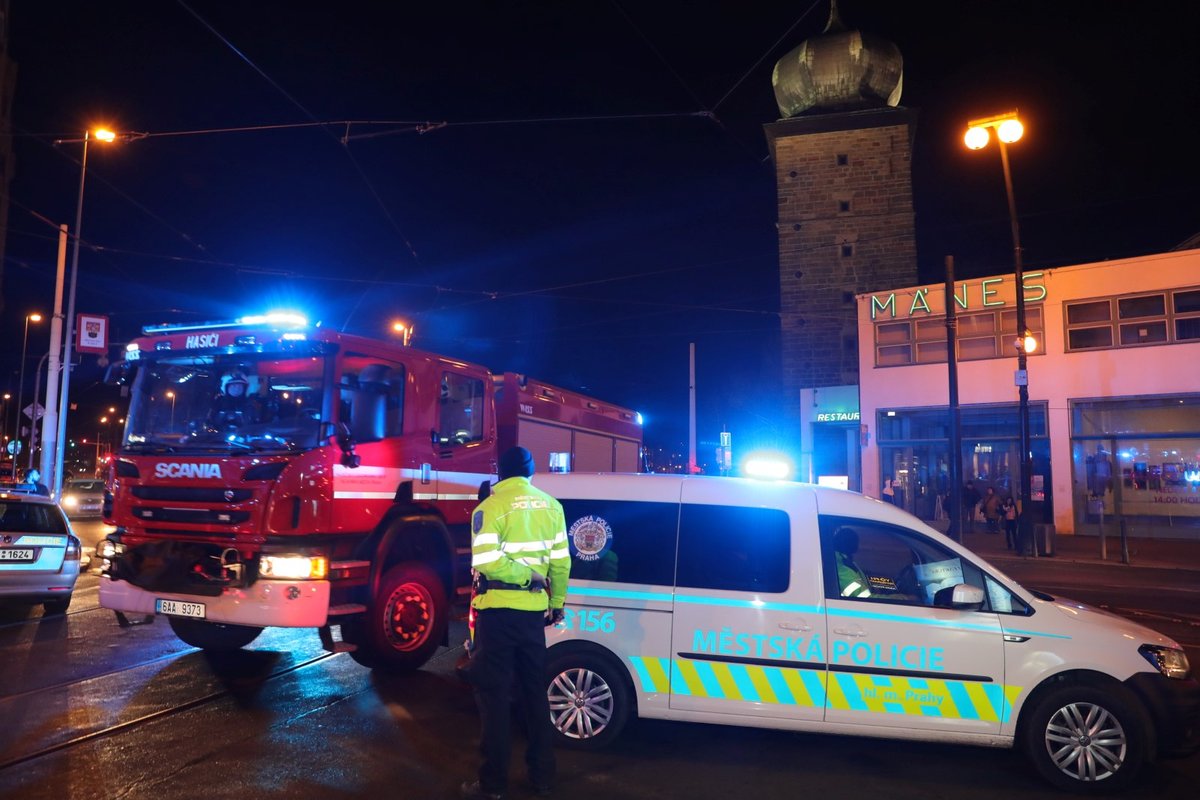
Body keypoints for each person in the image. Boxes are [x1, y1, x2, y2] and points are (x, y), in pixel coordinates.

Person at [462, 446, 570, 800]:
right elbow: (561, 564)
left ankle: (492, 785)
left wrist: (524, 576)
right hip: (531, 618)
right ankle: (543, 777)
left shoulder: (488, 508)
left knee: (493, 699)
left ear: (500, 472)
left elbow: (489, 562)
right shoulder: (552, 506)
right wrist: (555, 604)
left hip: (496, 614)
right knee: (534, 695)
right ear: (531, 470)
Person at [832, 527, 872, 599]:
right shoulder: (842, 568)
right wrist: (897, 597)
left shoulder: (845, 560)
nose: (858, 545)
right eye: (855, 541)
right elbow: (866, 598)